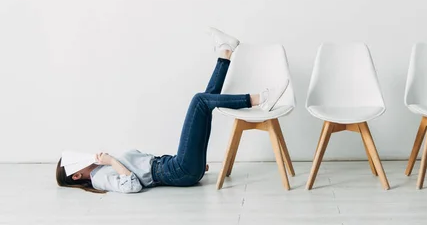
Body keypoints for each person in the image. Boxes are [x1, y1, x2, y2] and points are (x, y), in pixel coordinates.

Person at [55, 28, 288, 193]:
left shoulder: (101, 170)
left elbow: (142, 165)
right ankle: (260, 99)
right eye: (78, 162)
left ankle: (225, 52)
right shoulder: (99, 178)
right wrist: (112, 161)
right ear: (77, 175)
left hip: (179, 167)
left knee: (205, 102)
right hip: (178, 171)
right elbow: (132, 185)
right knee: (200, 101)